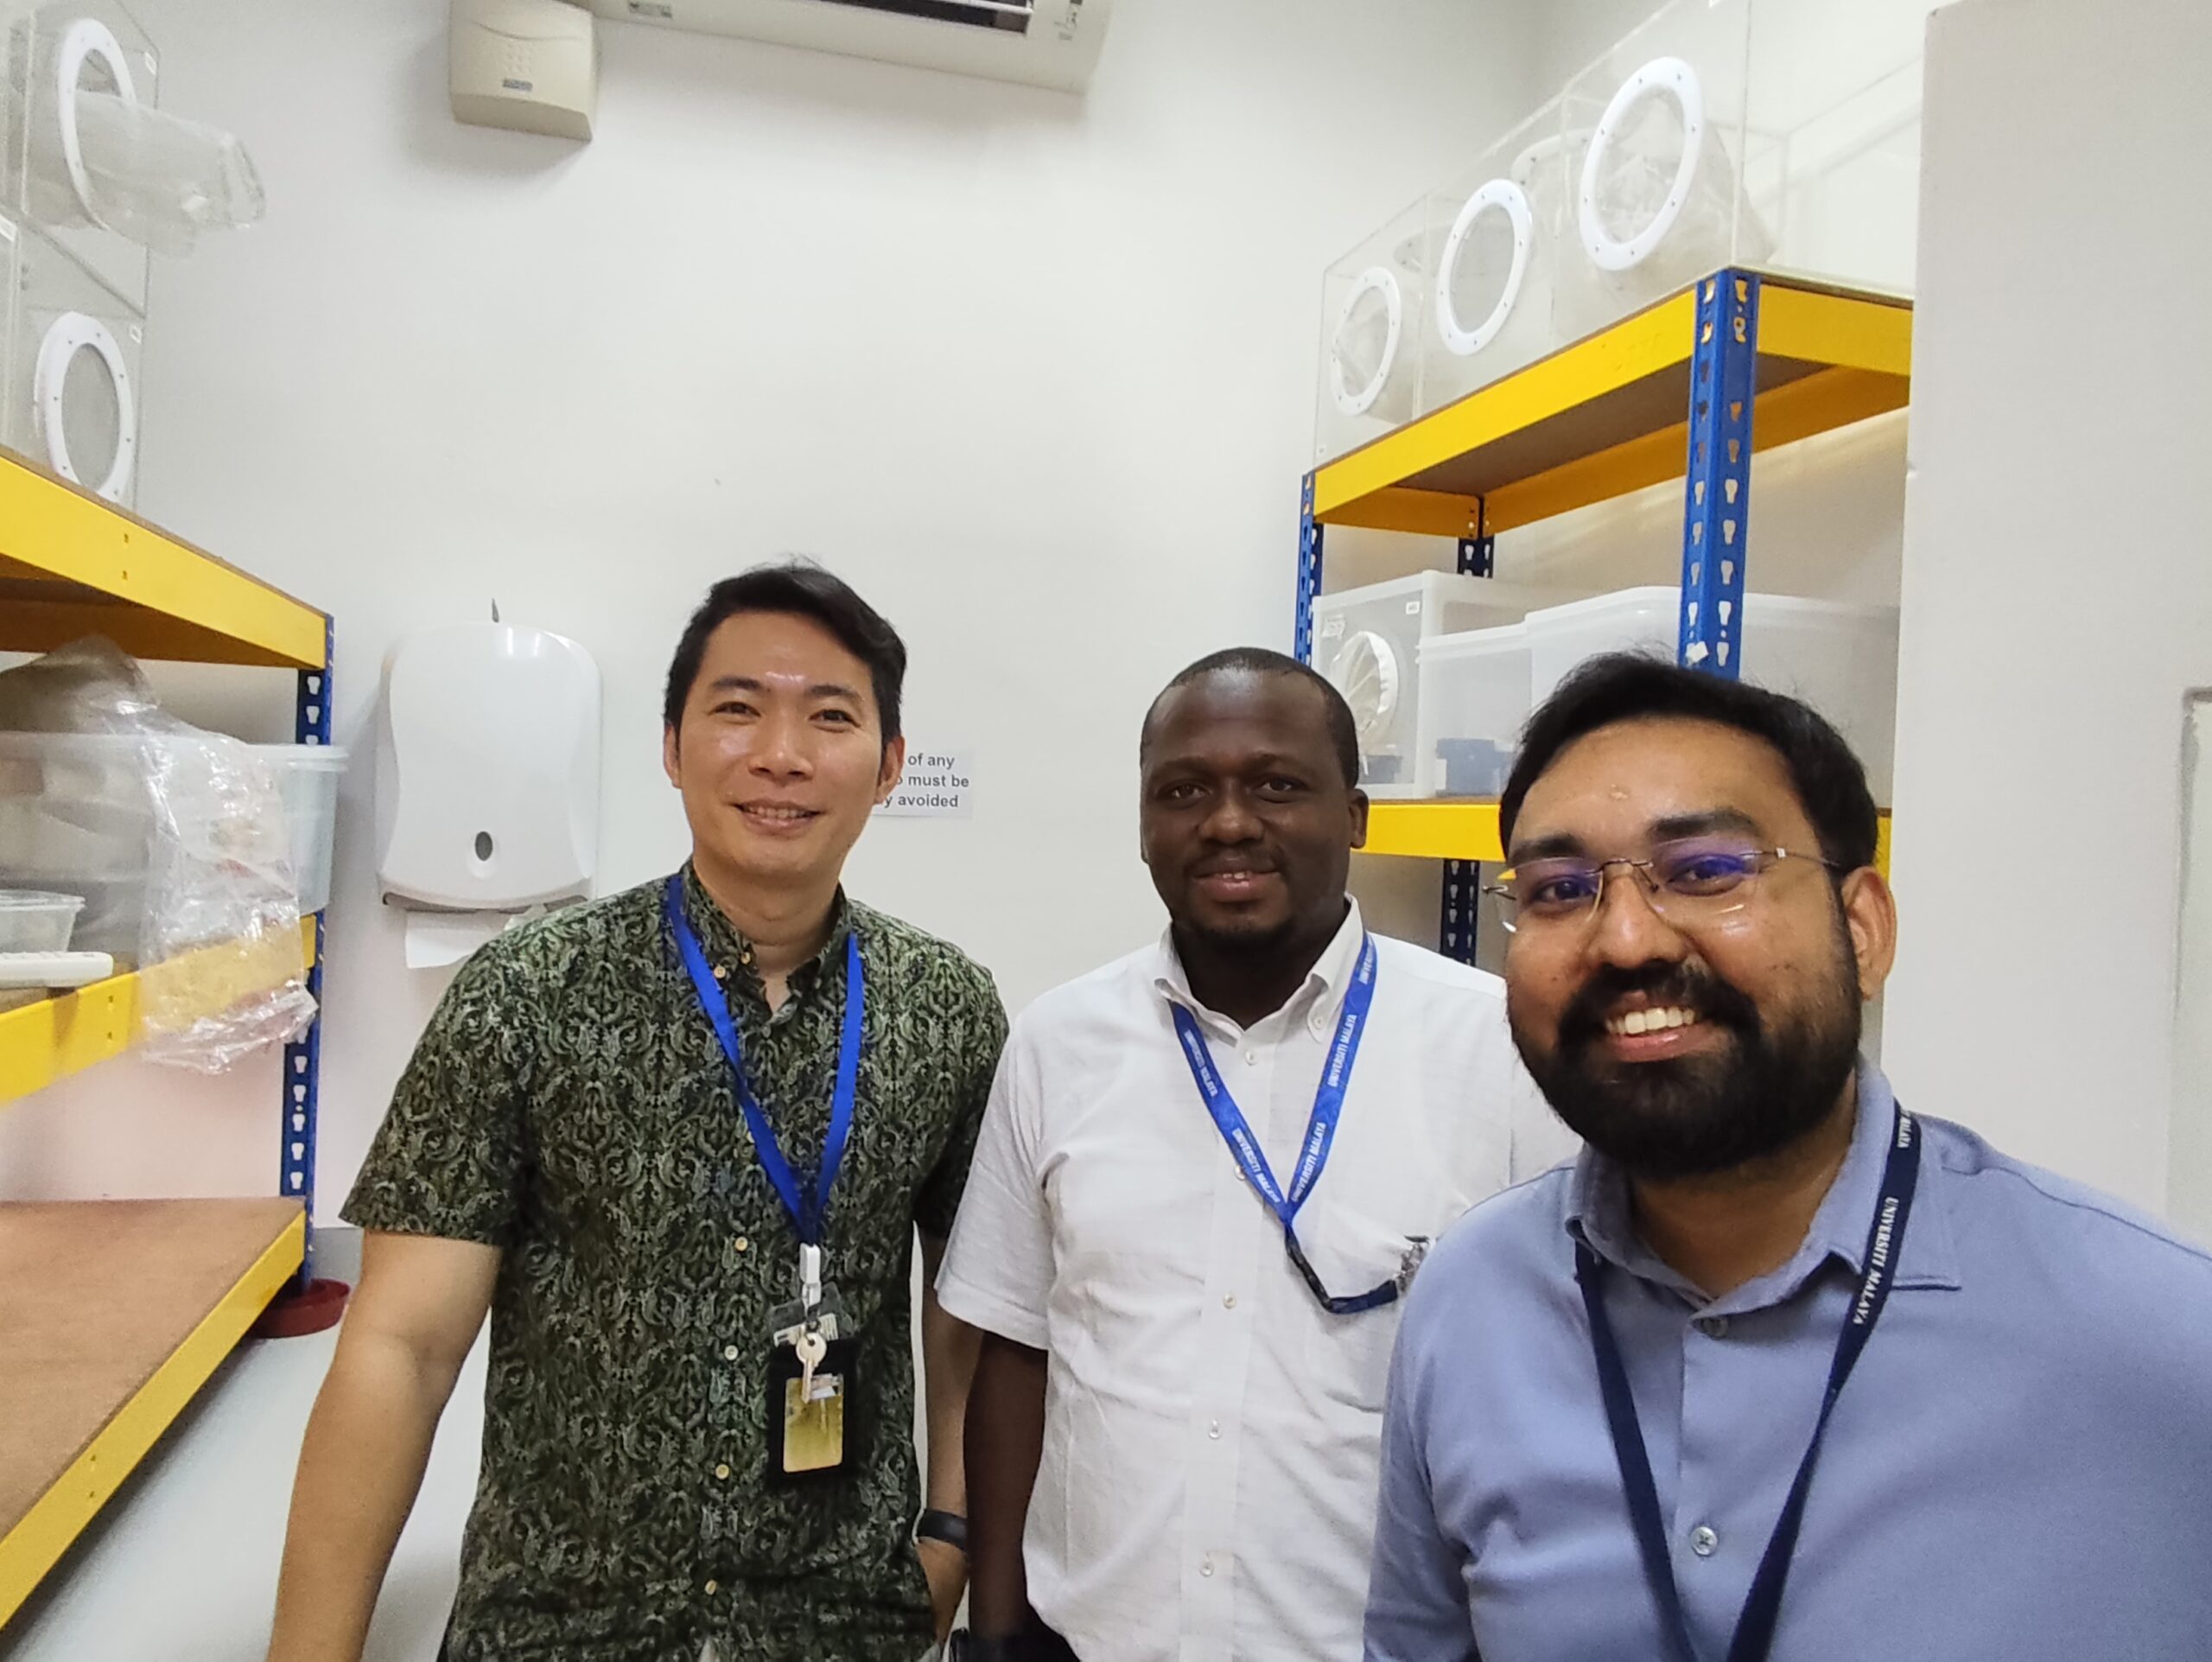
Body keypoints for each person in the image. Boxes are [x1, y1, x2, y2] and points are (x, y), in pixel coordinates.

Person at [1363, 653, 2212, 1662]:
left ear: (1863, 930)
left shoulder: (2157, 1342)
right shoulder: (1471, 1301)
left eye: (1705, 871)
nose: (1625, 940)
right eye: (1559, 889)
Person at [267, 562, 1008, 1662]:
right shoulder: (528, 991)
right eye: (738, 708)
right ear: (671, 746)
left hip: (842, 1620)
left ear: (889, 763)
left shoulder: (947, 1009)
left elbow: (971, 1309)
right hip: (564, 1625)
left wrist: (951, 1532)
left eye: (830, 717)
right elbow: (402, 1348)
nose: (782, 755)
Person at [937, 647, 1574, 1662]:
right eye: (1183, 791)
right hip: (1089, 1641)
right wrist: (999, 1631)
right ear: (1142, 824)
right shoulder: (1058, 1044)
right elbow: (1018, 1346)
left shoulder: (1496, 1050)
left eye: (1276, 786)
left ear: (1354, 815)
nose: (1228, 822)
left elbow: (1568, 1374)